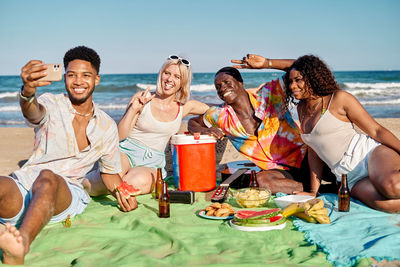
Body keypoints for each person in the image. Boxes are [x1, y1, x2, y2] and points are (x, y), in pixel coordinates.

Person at [0, 46, 137, 265]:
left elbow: (110, 173)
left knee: (47, 177)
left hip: (65, 194)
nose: (78, 81)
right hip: (25, 185)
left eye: (86, 75)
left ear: (97, 79)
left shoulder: (106, 126)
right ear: (64, 77)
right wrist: (27, 92)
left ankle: (21, 245)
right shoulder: (51, 103)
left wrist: (124, 193)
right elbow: (33, 112)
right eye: (72, 75)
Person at [285, 54, 400, 213]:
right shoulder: (300, 110)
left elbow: (376, 130)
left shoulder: (339, 98)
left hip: (368, 154)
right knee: (387, 205)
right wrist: (313, 192)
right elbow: (314, 151)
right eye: (290, 81)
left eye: (298, 80)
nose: (292, 86)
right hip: (347, 176)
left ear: (312, 77)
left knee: (392, 187)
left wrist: (266, 63)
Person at [86, 55, 209, 195]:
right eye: (167, 73)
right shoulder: (142, 98)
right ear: (161, 74)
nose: (169, 79)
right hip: (125, 152)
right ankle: (74, 185)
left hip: (153, 162)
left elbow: (216, 111)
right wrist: (133, 109)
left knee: (131, 183)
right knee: (107, 183)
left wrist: (202, 127)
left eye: (177, 76)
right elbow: (119, 135)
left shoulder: (185, 106)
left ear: (183, 82)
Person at [188, 54, 309, 194]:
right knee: (262, 181)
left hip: (307, 158)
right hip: (280, 172)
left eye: (227, 82)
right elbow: (193, 122)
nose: (222, 88)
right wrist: (204, 131)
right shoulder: (219, 115)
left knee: (332, 167)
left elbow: (302, 68)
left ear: (240, 82)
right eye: (218, 86)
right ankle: (323, 189)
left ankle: (319, 185)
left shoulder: (269, 94)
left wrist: (266, 63)